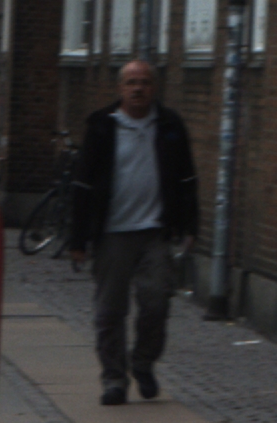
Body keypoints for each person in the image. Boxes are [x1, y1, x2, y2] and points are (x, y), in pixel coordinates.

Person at [67, 60, 198, 405]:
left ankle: (142, 362)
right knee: (110, 311)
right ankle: (114, 378)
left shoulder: (169, 125)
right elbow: (82, 184)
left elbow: (187, 179)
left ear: (154, 87)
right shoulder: (102, 126)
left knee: (156, 303)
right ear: (120, 88)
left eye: (144, 82)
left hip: (155, 231)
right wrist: (78, 239)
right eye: (131, 82)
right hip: (113, 233)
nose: (138, 88)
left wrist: (190, 226)